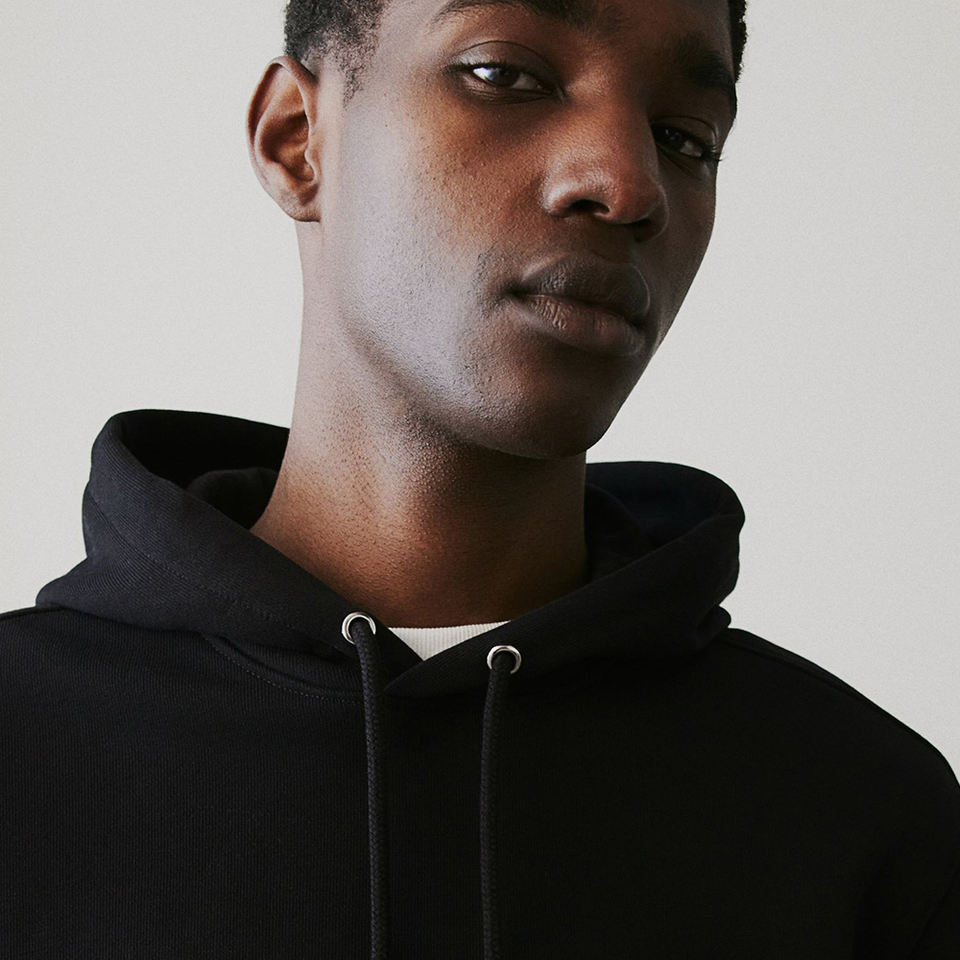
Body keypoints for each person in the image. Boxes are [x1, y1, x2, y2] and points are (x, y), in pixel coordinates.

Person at [1, 0, 958, 956]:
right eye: (503, 75)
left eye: (685, 138)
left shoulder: (868, 818)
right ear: (299, 141)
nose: (629, 185)